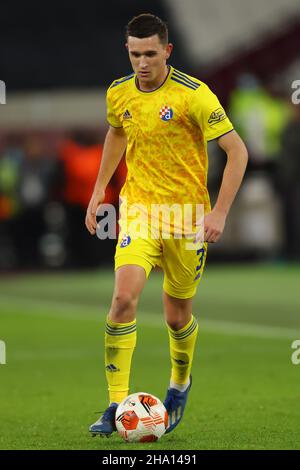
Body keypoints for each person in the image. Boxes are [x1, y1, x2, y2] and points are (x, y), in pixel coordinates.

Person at [85, 13, 248, 436]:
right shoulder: (119, 93)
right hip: (138, 211)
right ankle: (115, 404)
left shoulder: (195, 96)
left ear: (167, 51)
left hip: (187, 219)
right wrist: (100, 189)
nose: (142, 62)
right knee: (123, 299)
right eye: (135, 54)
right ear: (128, 51)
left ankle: (179, 383)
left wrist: (220, 212)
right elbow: (117, 132)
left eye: (151, 54)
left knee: (177, 317)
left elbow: (238, 151)